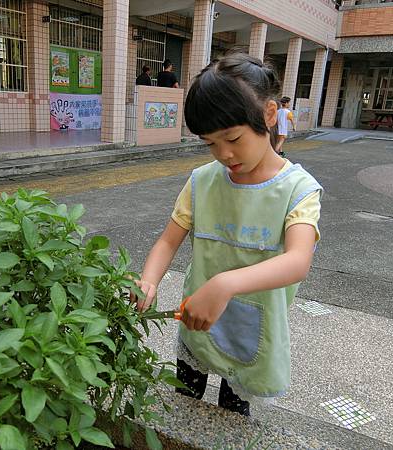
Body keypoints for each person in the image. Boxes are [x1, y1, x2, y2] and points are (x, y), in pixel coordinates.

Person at [131, 51, 322, 416]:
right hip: (196, 320)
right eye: (210, 143)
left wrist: (225, 284)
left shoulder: (299, 189)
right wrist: (148, 281)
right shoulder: (202, 181)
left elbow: (297, 261)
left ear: (268, 115)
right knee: (182, 405)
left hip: (252, 330)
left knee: (232, 416)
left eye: (232, 138)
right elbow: (168, 240)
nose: (223, 154)